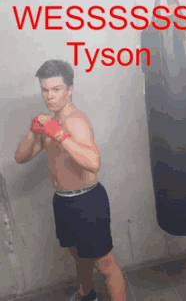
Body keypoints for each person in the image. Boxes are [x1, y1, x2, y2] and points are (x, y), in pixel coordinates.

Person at [15, 60, 128, 301]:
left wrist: (59, 135)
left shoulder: (76, 121)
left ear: (69, 89)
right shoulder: (49, 122)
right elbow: (20, 157)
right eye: (45, 90)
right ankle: (86, 294)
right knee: (78, 255)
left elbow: (93, 162)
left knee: (106, 264)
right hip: (63, 202)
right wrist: (34, 131)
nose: (49, 96)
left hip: (87, 201)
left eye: (56, 89)